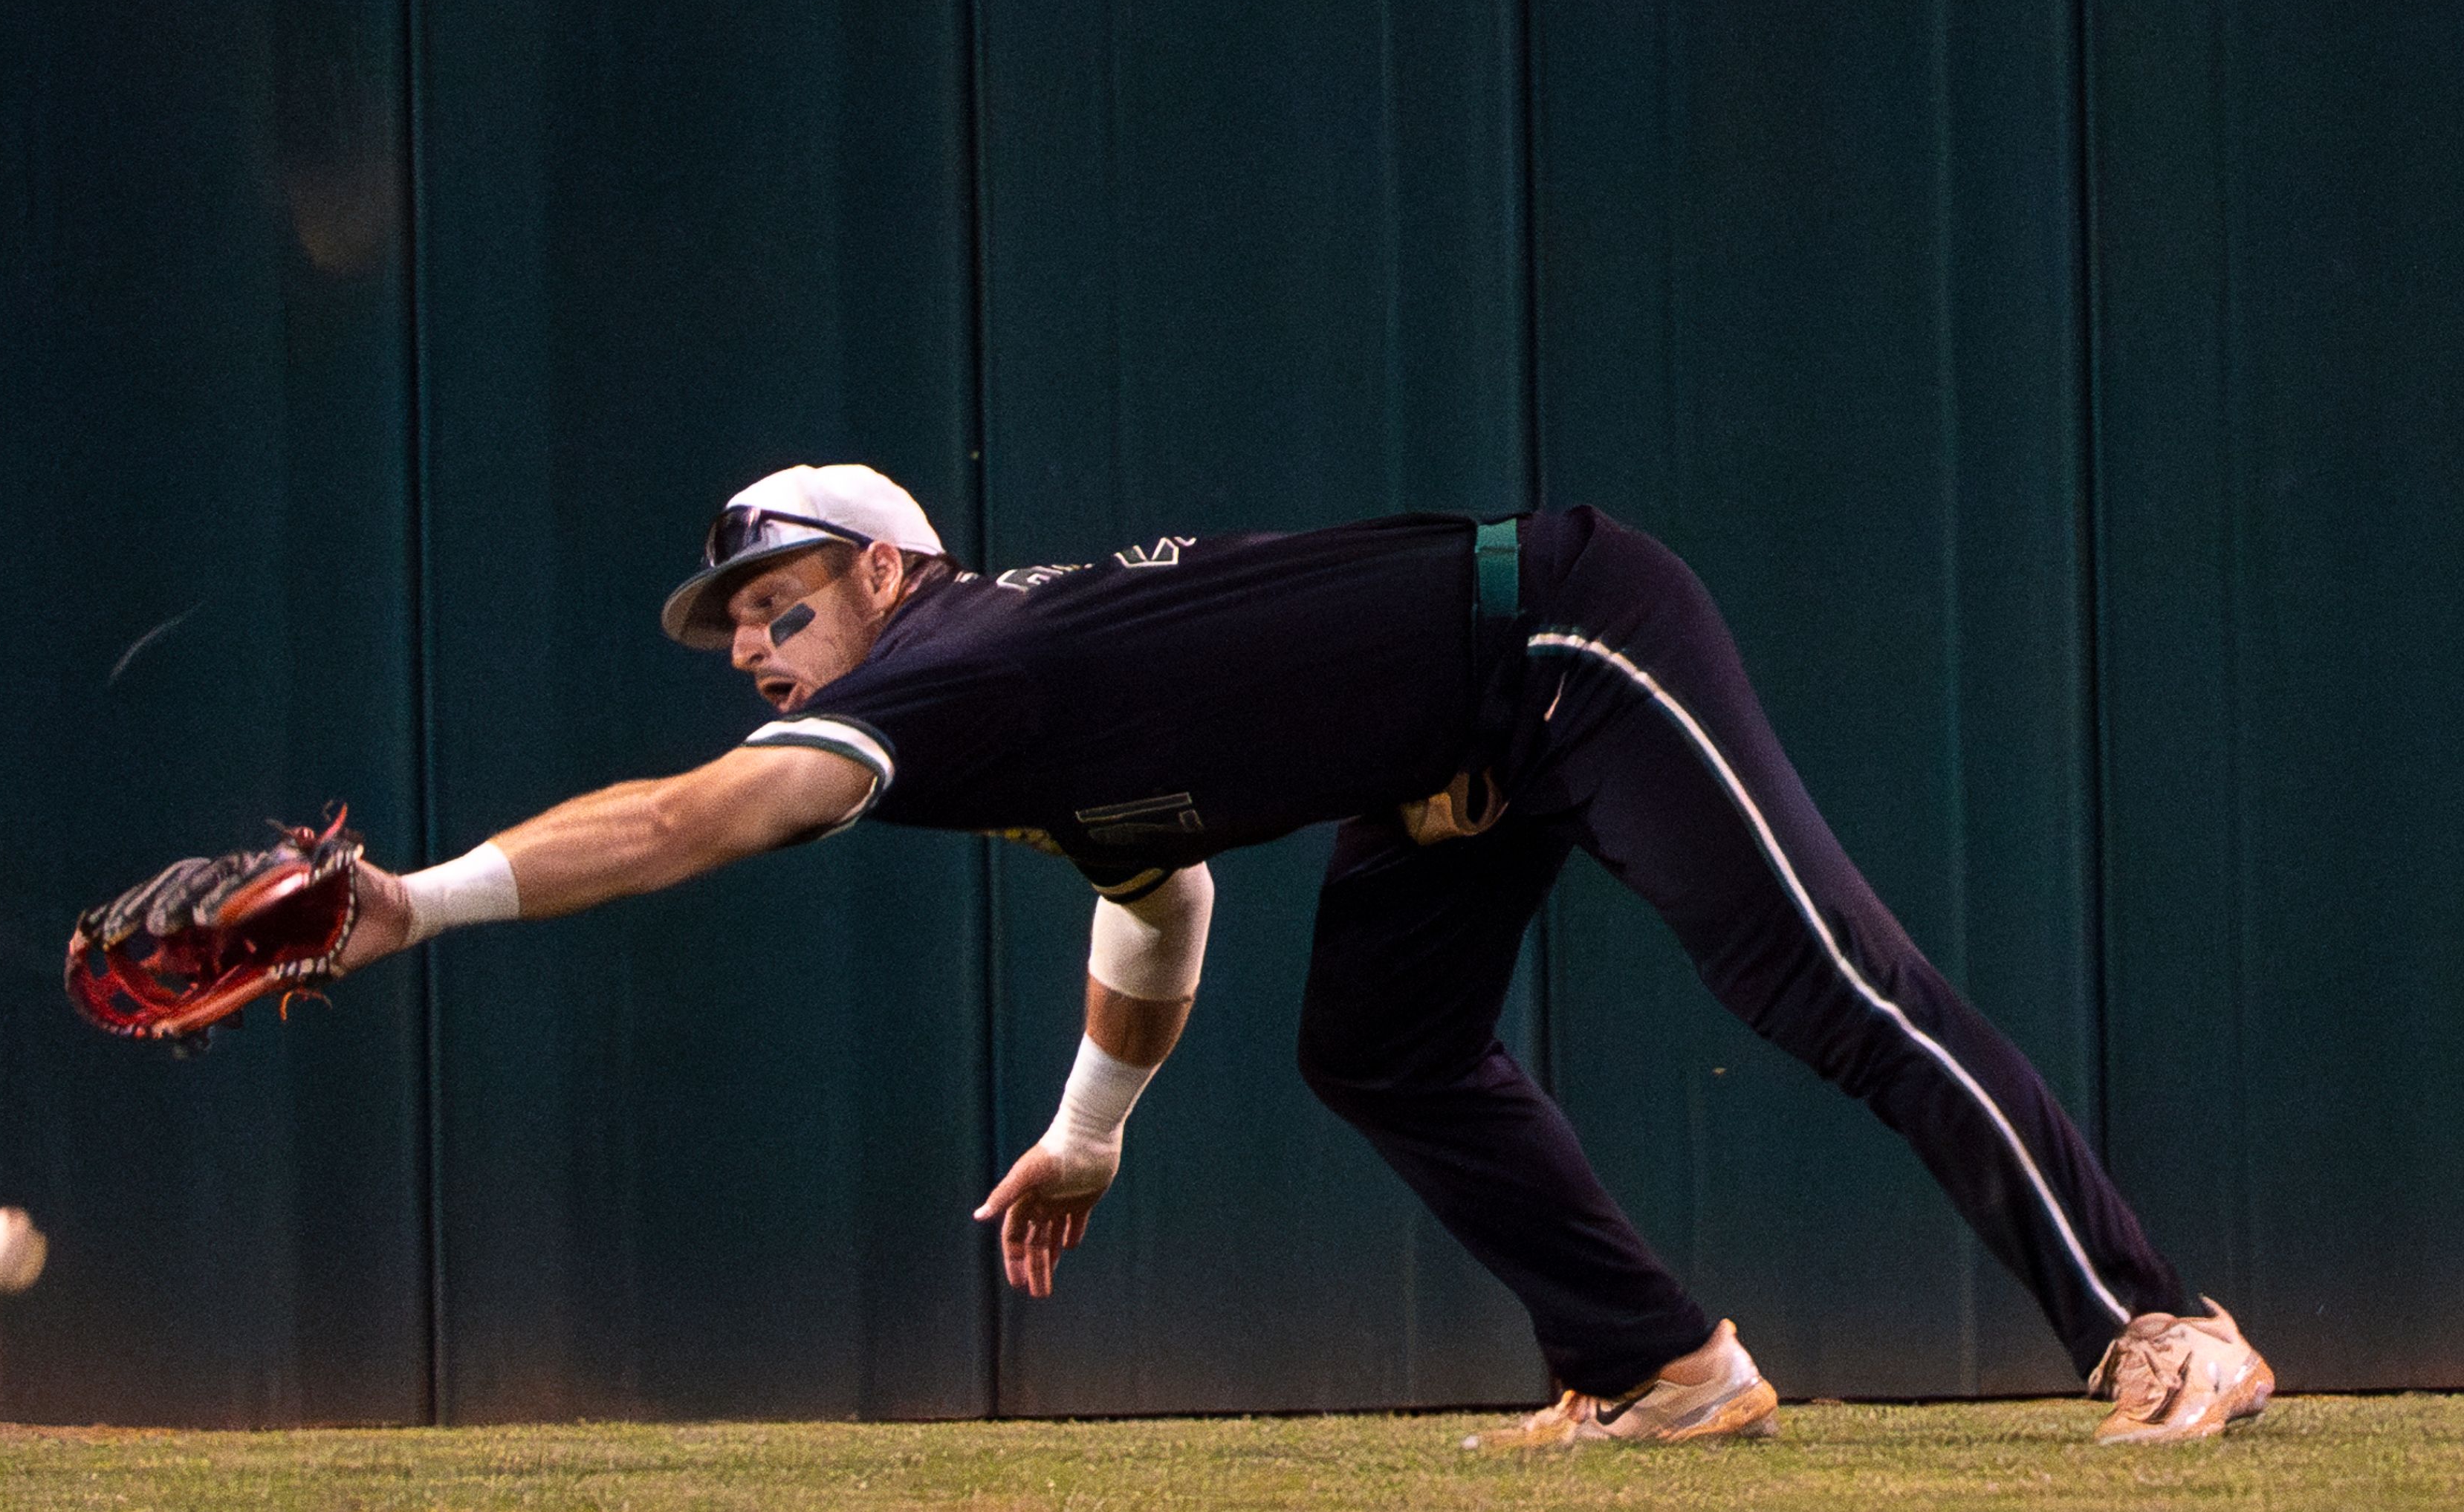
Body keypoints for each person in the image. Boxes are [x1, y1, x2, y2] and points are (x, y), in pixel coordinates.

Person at [333, 463, 2274, 1447]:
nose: (756, 652)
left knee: (1822, 990)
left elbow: (690, 819)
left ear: (890, 575)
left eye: (781, 604)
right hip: (1447, 739)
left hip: (1564, 635)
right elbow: (1158, 888)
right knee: (1380, 1042)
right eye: (738, 627)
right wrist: (1094, 1127)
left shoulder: (955, 669)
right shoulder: (989, 705)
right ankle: (1663, 1366)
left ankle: (2162, 1324)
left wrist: (410, 901)